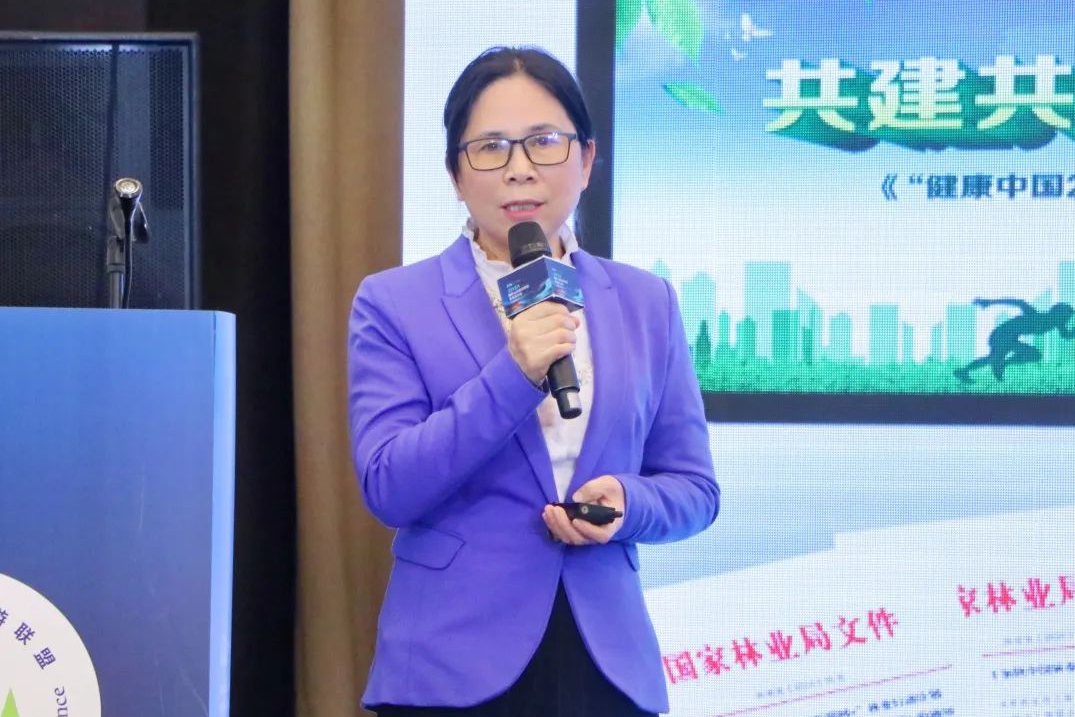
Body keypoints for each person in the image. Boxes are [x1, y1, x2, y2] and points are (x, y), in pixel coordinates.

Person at [347, 46, 720, 717]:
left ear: (586, 159)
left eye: (544, 142)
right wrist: (514, 374)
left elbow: (695, 490)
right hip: (449, 665)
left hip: (605, 666)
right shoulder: (393, 302)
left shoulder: (647, 302)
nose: (519, 167)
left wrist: (629, 502)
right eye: (491, 147)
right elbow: (388, 485)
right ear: (455, 173)